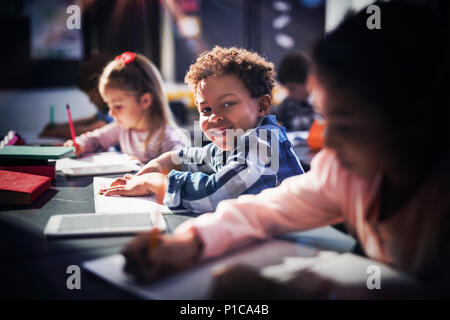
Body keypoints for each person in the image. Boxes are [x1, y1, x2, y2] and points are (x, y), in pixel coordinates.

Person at [118, 1, 450, 299]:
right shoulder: (345, 172)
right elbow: (264, 210)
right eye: (325, 116)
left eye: (347, 125)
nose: (328, 144)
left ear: (419, 119)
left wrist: (293, 292)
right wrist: (191, 243)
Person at [99, 46, 304, 213]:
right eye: (205, 109)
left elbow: (213, 195)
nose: (214, 117)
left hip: (297, 243)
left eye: (227, 104)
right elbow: (188, 157)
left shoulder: (261, 144)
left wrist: (155, 181)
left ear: (262, 106)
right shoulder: (233, 141)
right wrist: (156, 166)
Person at [64, 52, 188, 164]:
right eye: (109, 105)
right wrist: (80, 145)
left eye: (117, 106)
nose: (111, 113)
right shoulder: (122, 130)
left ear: (145, 101)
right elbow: (95, 139)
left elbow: (184, 167)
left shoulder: (168, 139)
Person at [40, 54, 114, 139]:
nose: (90, 101)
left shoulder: (114, 108)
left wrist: (58, 132)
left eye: (92, 96)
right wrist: (61, 126)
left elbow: (101, 126)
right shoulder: (104, 109)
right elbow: (92, 119)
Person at [273, 52, 315, 131]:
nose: (290, 94)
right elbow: (273, 120)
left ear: (308, 81)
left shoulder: (323, 104)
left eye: (292, 89)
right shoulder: (288, 104)